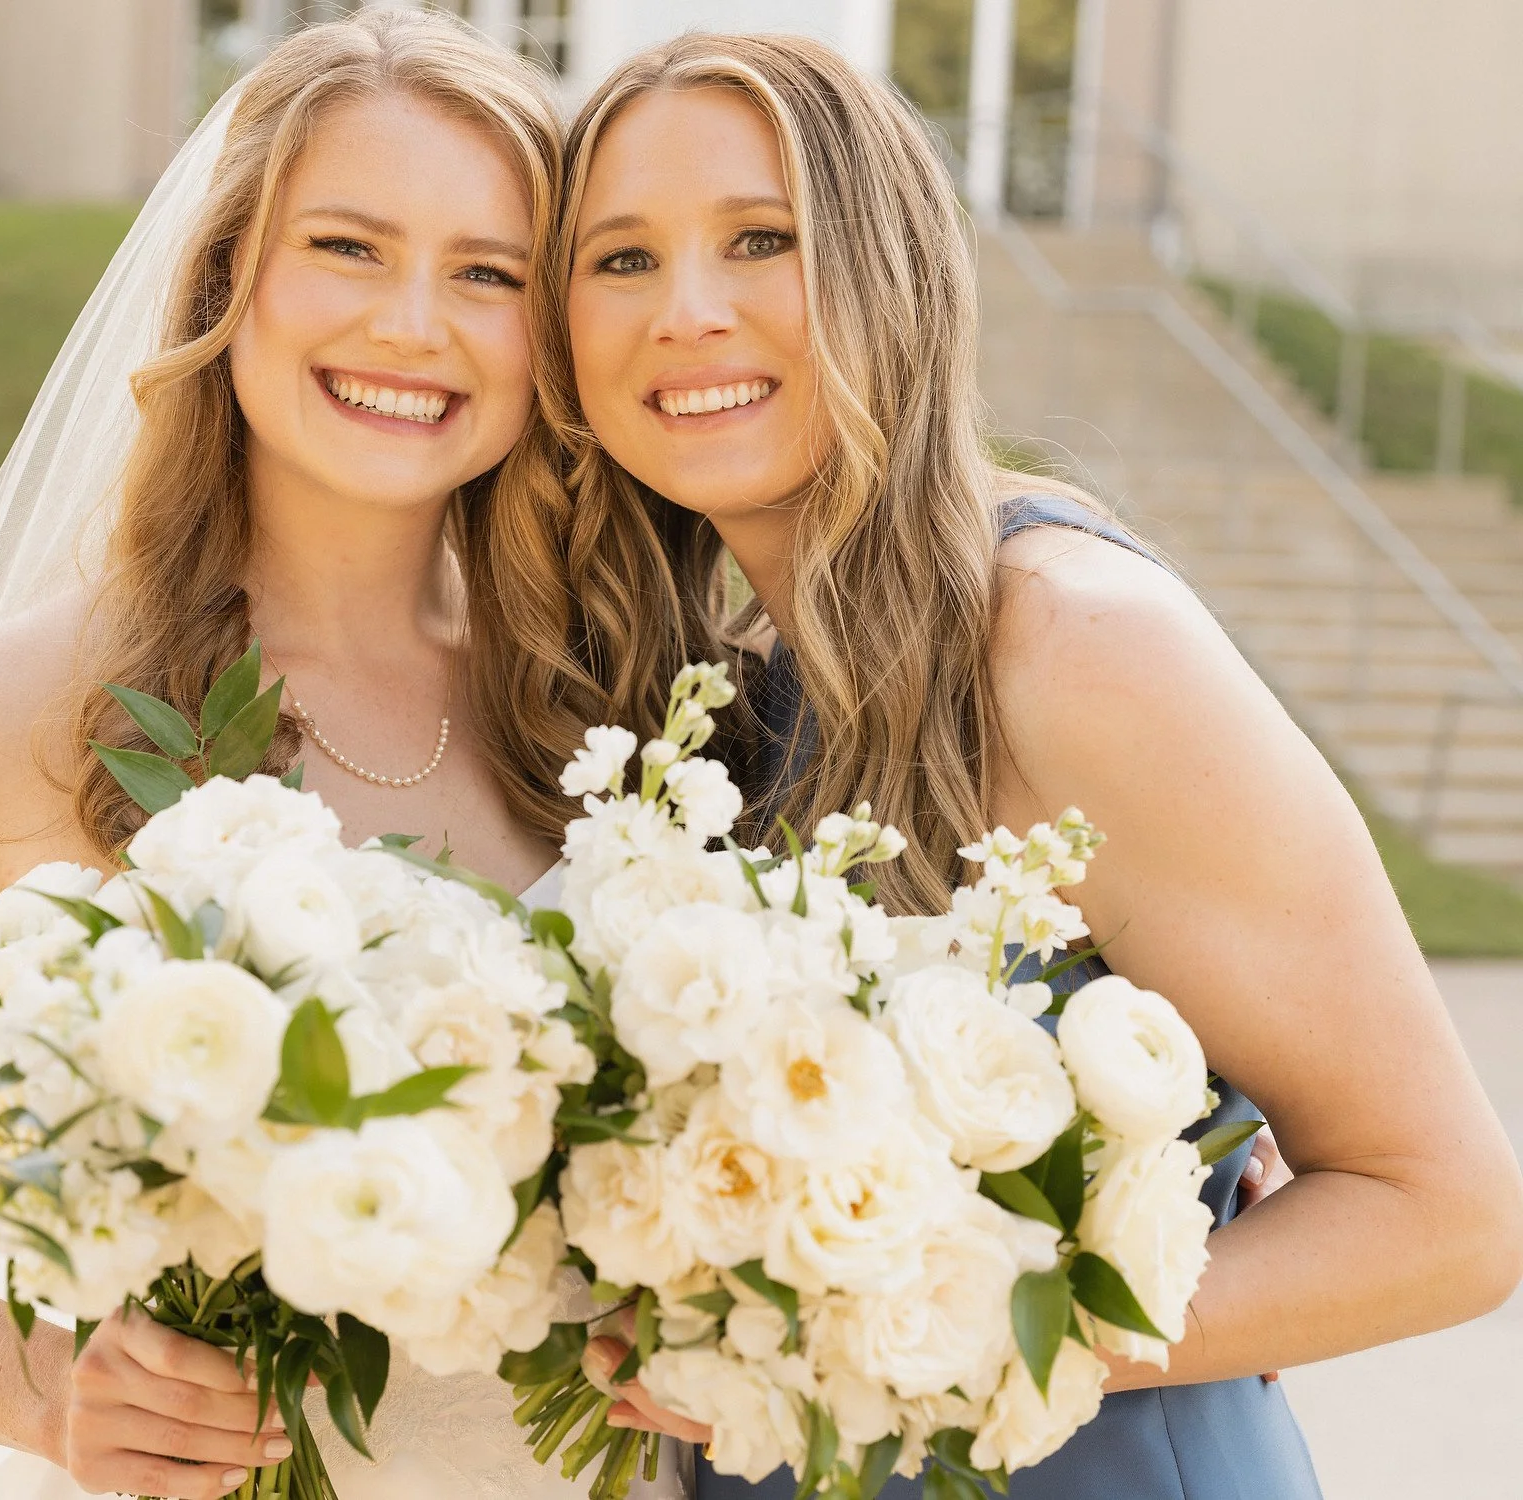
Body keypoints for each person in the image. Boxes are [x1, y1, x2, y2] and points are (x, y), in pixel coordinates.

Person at [510, 31, 1523, 1499]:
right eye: (621, 259)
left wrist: (915, 1337)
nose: (688, 312)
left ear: (891, 269)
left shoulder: (1070, 645)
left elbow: (1447, 1216)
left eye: (762, 239)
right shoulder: (714, 709)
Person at [0, 13, 686, 1499]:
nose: (412, 326)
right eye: (348, 248)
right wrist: (50, 1393)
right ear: (228, 278)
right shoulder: (17, 715)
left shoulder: (605, 705)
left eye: (484, 273)